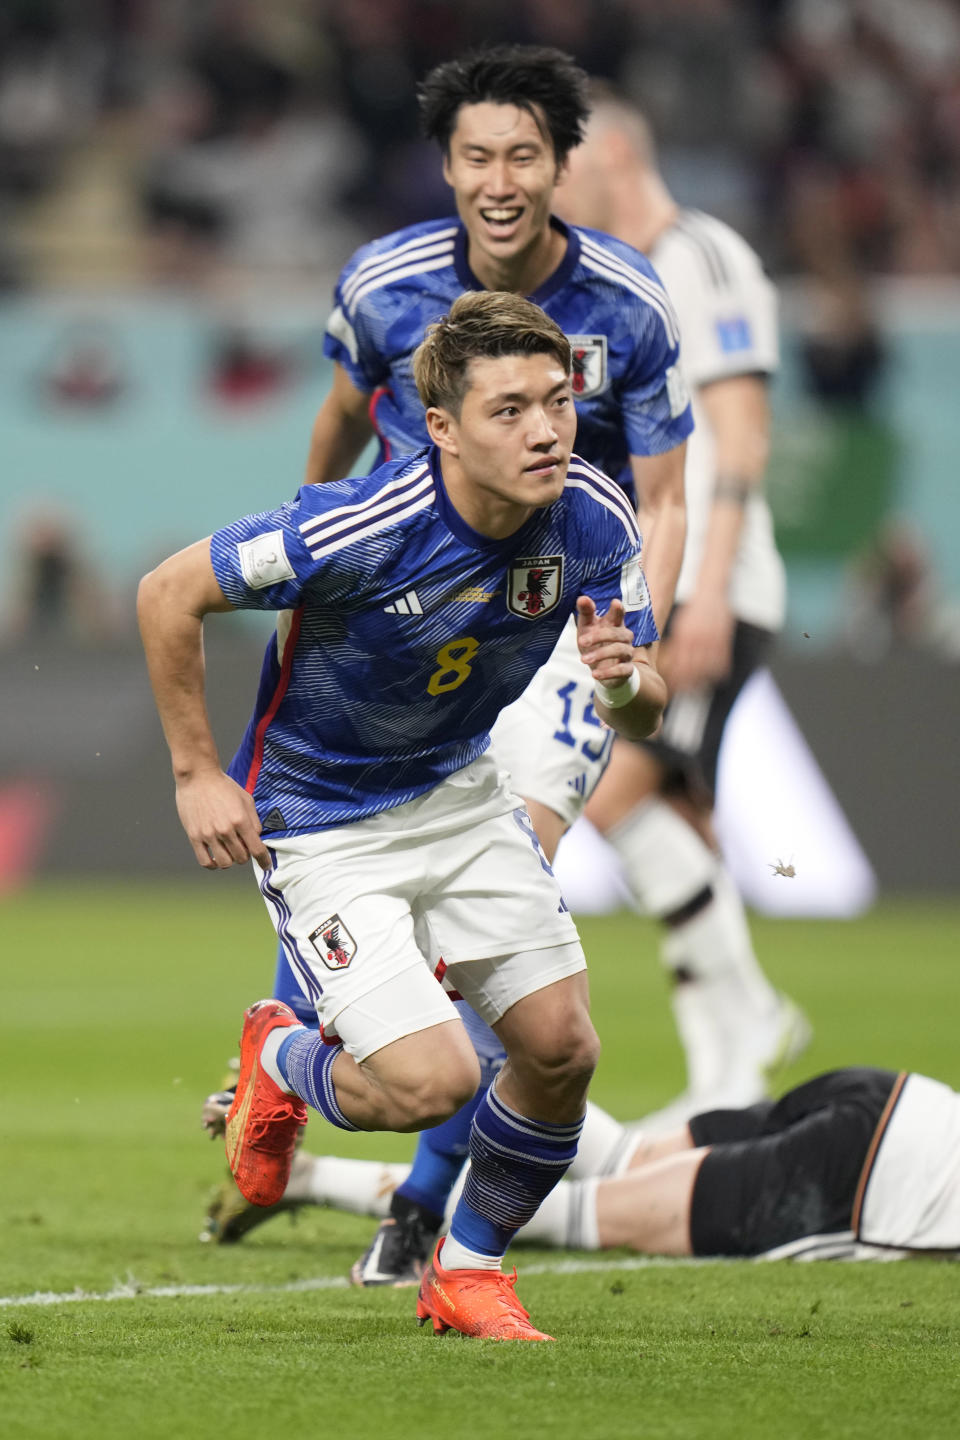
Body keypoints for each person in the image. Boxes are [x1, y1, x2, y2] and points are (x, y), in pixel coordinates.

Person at [201, 44, 695, 1286]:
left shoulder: (629, 307)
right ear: (447, 165)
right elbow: (331, 425)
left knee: (502, 893)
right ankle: (307, 1053)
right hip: (396, 602)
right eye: (477, 154)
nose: (500, 177)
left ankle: (426, 1204)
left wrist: (634, 631)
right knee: (360, 831)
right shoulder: (383, 282)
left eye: (525, 153)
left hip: (559, 612)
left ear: (559, 165)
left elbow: (669, 492)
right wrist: (310, 563)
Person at [139, 290, 668, 1342]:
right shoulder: (356, 527)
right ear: (442, 429)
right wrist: (199, 772)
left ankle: (466, 1272)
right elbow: (166, 592)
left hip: (459, 792)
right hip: (324, 821)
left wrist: (624, 686)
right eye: (510, 409)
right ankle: (282, 1056)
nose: (546, 429)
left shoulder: (596, 517)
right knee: (432, 1083)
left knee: (561, 1047)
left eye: (557, 401)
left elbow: (645, 707)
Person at [555, 90, 810, 1131]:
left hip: (719, 586)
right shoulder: (605, 279)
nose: (548, 185)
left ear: (614, 150)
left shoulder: (700, 258)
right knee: (681, 817)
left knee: (613, 794)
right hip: (662, 586)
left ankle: (748, 1024)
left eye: (562, 162)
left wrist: (705, 588)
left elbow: (741, 434)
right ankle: (727, 1074)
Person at [214, 1065, 960, 1263]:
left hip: (896, 1098)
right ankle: (307, 1174)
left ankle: (490, 1056)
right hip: (869, 1181)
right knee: (583, 1218)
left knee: (628, 1161)